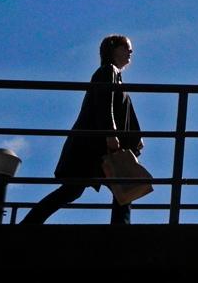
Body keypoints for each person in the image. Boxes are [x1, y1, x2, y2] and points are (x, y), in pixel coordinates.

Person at [22, 34, 144, 224]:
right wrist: (110, 133)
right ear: (113, 50)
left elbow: (124, 112)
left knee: (96, 188)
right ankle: (121, 228)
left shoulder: (115, 76)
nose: (130, 52)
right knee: (106, 187)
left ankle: (30, 223)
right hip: (94, 146)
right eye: (125, 48)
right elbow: (104, 103)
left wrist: (135, 139)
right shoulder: (107, 71)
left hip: (95, 146)